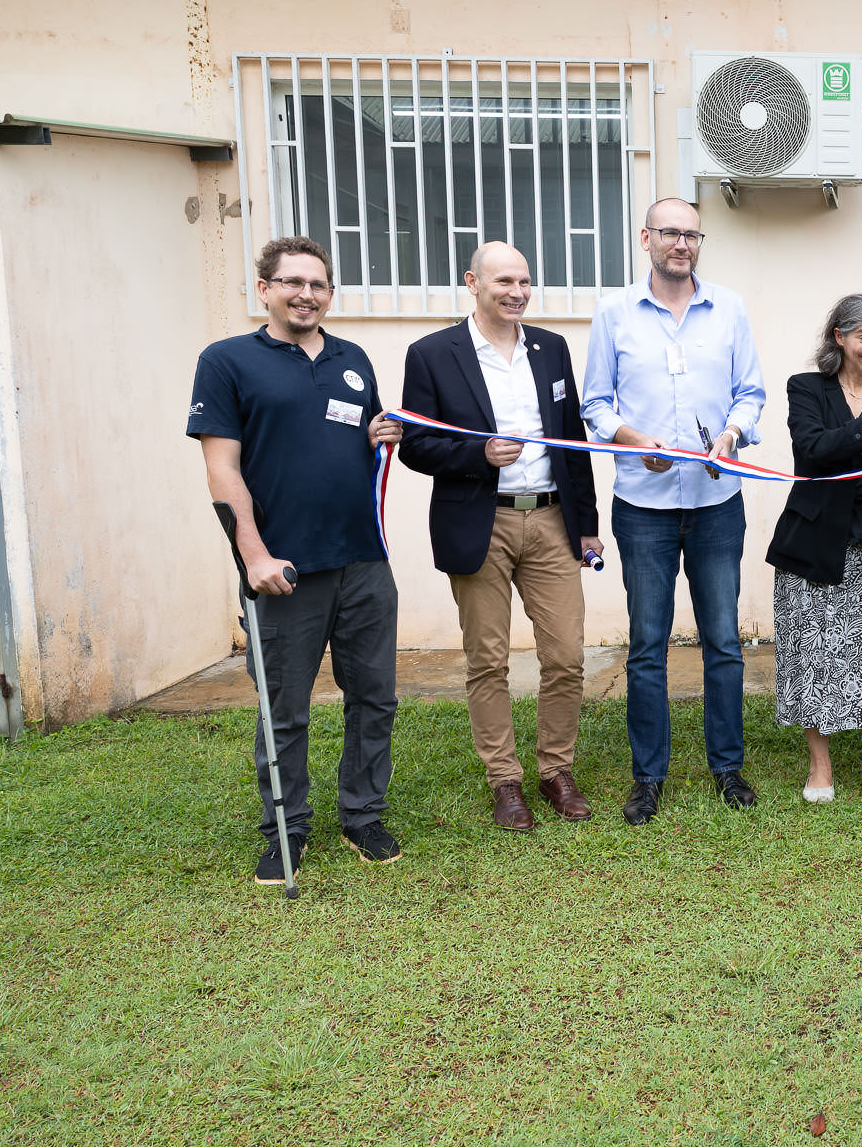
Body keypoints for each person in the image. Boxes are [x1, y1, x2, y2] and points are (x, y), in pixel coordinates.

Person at [187, 236, 403, 882]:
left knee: (375, 698)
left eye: (317, 284)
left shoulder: (352, 359)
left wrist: (375, 435)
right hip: (284, 570)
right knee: (286, 707)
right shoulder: (227, 361)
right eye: (293, 282)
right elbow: (221, 467)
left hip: (363, 561)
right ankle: (287, 827)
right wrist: (253, 555)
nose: (306, 294)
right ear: (265, 289)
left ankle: (362, 814)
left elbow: (347, 440)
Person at [397, 241, 602, 832]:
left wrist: (586, 525)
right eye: (505, 280)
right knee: (487, 661)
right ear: (473, 283)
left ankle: (555, 770)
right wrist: (478, 454)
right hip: (479, 522)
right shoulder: (433, 354)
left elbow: (574, 444)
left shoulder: (551, 348)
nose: (517, 292)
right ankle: (505, 781)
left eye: (525, 281)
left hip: (551, 520)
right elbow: (414, 444)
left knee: (565, 655)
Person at [581, 198, 768, 826]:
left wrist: (731, 436)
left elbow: (751, 394)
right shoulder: (614, 313)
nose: (681, 244)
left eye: (691, 234)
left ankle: (727, 767)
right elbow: (596, 405)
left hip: (717, 500)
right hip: (643, 504)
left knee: (723, 641)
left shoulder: (731, 307)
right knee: (647, 645)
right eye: (670, 233)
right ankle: (649, 776)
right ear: (646, 239)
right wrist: (633, 442)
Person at [765, 296, 862, 805]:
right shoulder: (806, 388)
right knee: (813, 655)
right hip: (812, 545)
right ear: (839, 337)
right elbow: (813, 450)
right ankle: (820, 765)